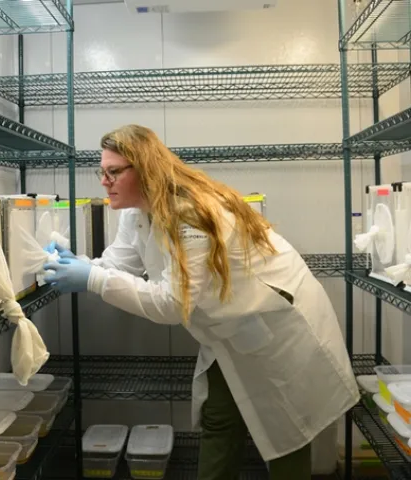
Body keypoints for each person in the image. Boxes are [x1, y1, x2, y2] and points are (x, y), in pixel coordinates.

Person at [43, 124, 360, 480]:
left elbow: (172, 304)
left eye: (113, 171)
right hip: (234, 329)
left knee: (290, 432)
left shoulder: (188, 213)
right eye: (101, 171)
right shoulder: (135, 212)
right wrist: (85, 265)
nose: (104, 181)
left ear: (145, 168)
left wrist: (91, 279)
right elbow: (118, 264)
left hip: (280, 326)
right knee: (218, 416)